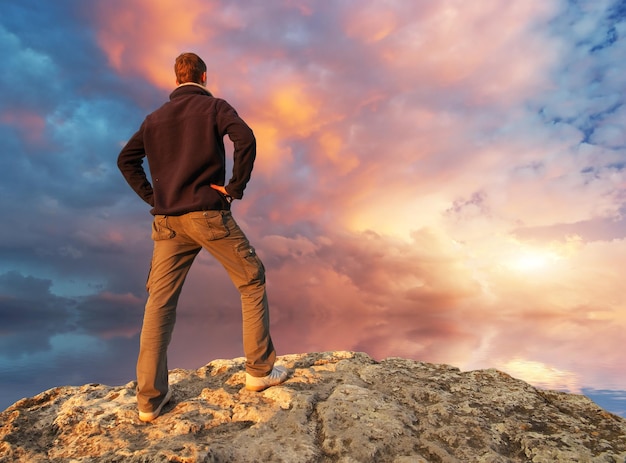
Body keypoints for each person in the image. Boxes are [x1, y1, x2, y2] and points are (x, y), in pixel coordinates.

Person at [117, 52, 288, 422]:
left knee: (159, 303)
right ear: (204, 77)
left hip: (167, 222)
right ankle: (259, 371)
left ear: (176, 79)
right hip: (208, 214)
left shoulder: (154, 119)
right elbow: (246, 138)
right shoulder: (215, 108)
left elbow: (125, 160)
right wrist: (233, 188)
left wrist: (154, 197)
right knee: (251, 279)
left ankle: (149, 400)